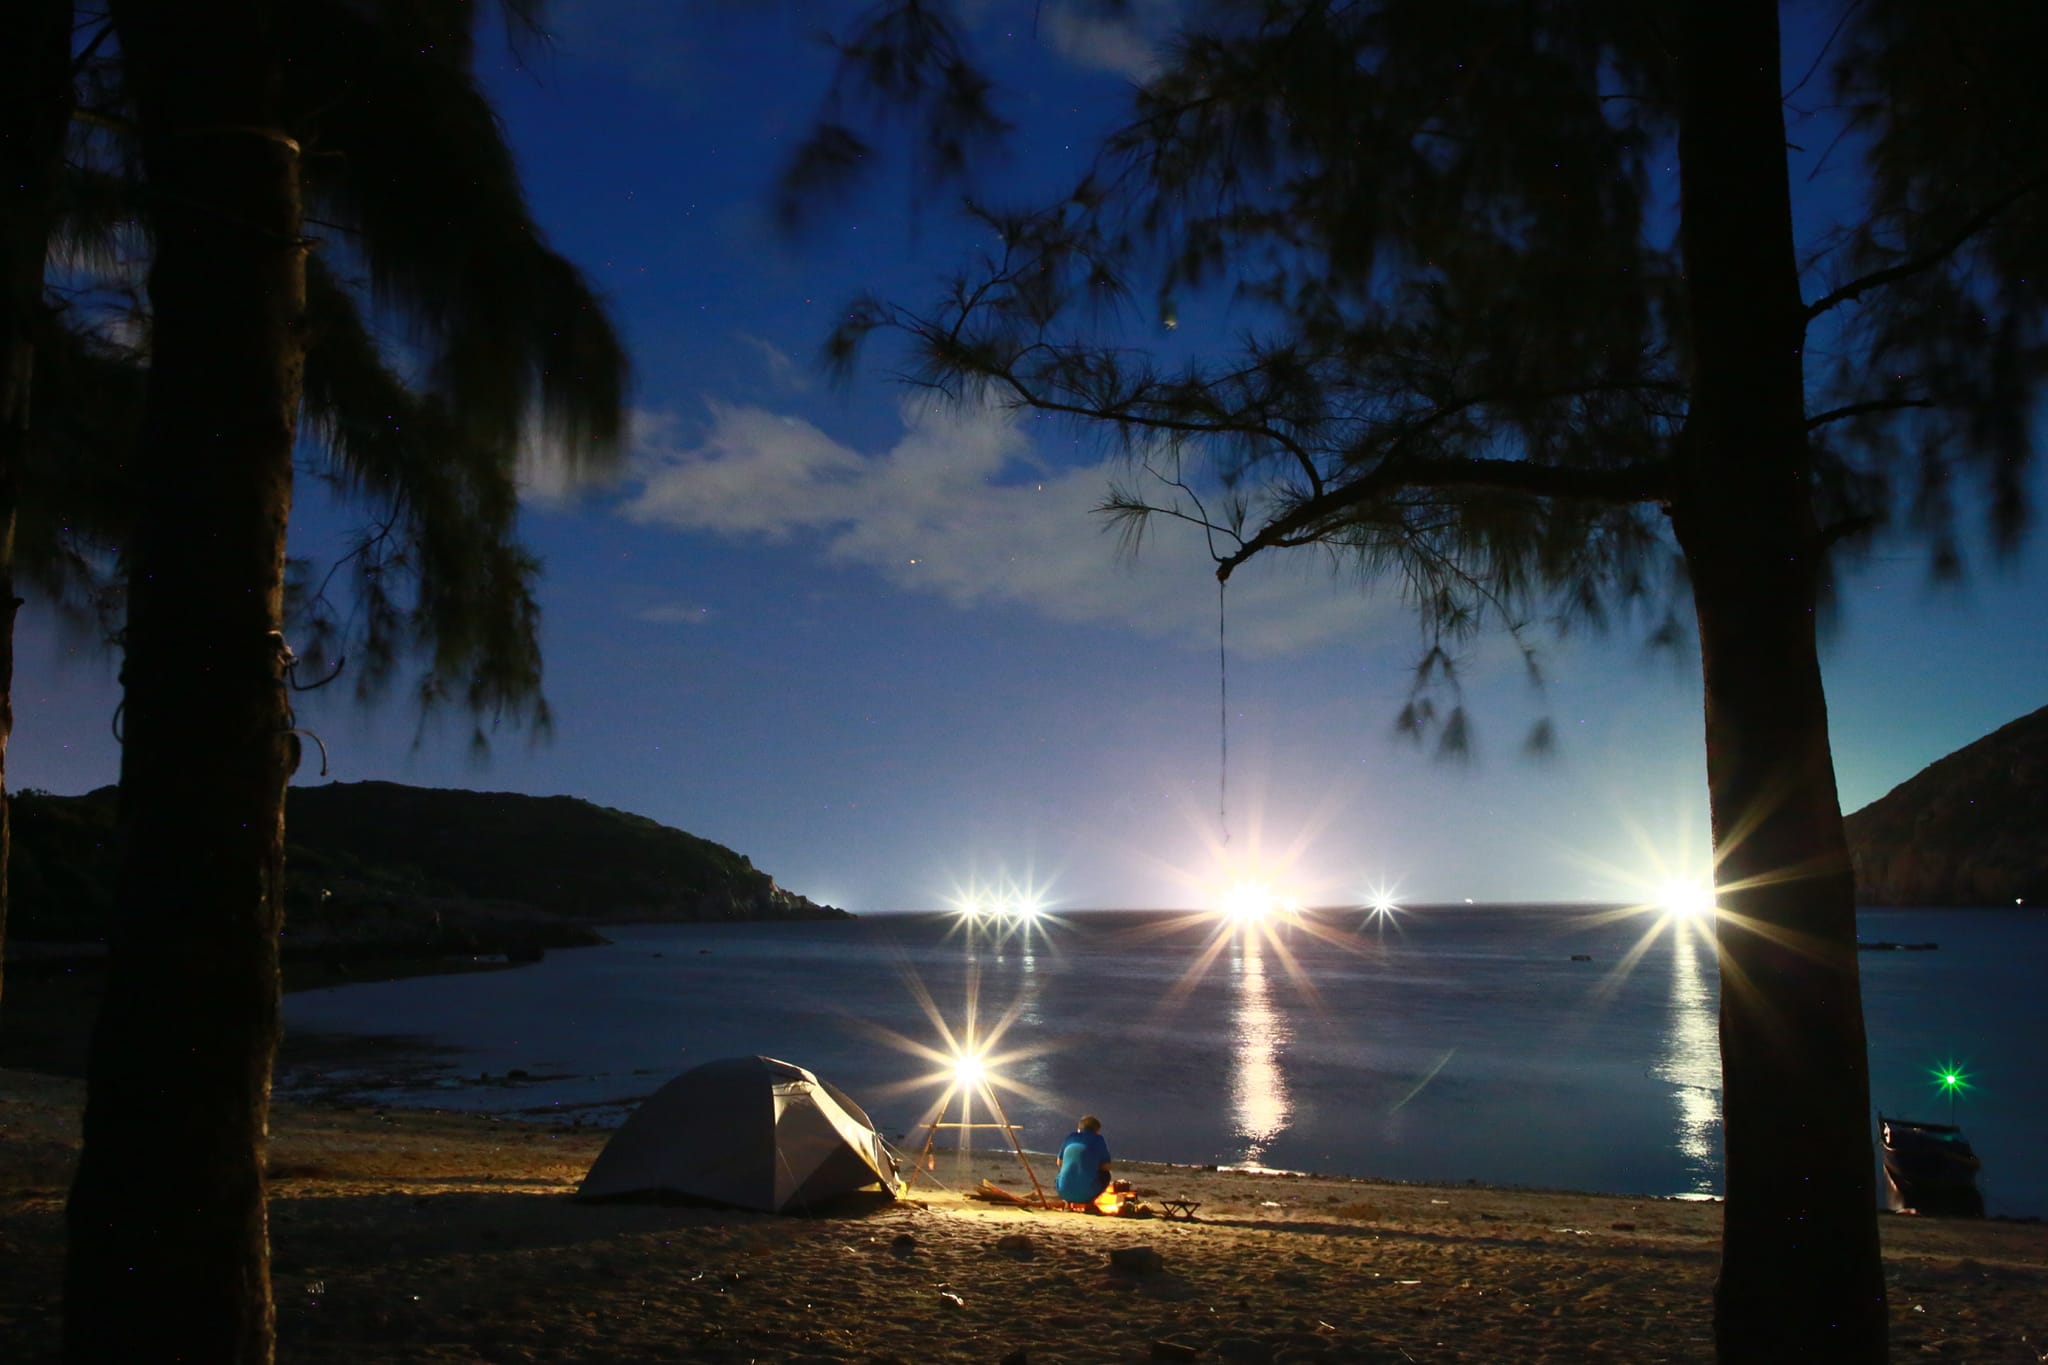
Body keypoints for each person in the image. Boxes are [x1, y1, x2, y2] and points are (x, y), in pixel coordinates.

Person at [1056, 1114, 1112, 1208]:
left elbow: (1059, 1163)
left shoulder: (1070, 1137)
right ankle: (1089, 1204)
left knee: (1063, 1173)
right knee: (1106, 1175)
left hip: (1064, 1191)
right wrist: (1092, 1164)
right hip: (1086, 1193)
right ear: (1097, 1130)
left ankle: (1068, 1203)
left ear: (1079, 1128)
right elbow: (1107, 1166)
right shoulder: (1098, 1139)